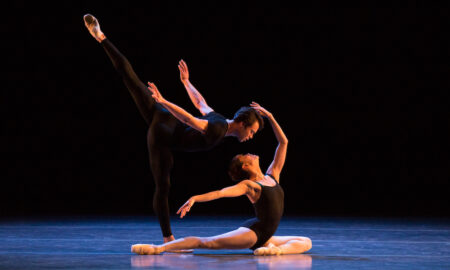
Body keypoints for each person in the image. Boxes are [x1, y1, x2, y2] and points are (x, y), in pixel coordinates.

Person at [83, 14, 264, 244]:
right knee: (163, 186)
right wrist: (164, 100)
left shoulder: (221, 120)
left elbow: (201, 104)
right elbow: (190, 120)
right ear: (242, 124)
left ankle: (101, 37)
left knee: (131, 80)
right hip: (163, 136)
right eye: (252, 131)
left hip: (164, 118)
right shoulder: (218, 130)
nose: (251, 136)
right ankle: (168, 238)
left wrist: (186, 83)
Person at [131, 103, 312, 256]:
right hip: (253, 233)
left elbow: (284, 142)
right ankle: (158, 248)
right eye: (245, 155)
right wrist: (195, 198)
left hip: (266, 236)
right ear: (245, 166)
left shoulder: (272, 175)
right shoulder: (249, 185)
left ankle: (275, 251)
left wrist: (270, 116)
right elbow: (220, 193)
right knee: (206, 243)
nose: (250, 152)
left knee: (306, 241)